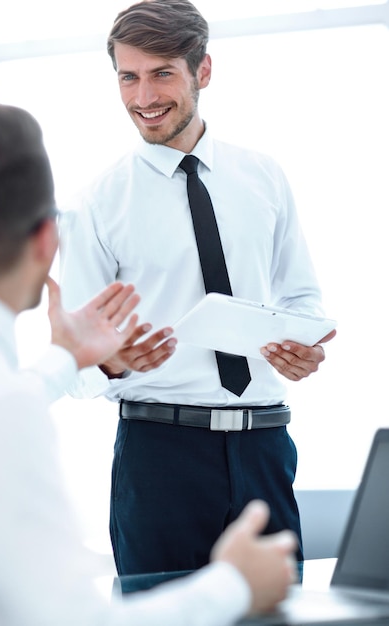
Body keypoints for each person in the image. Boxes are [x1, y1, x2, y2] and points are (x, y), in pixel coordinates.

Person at [0, 101, 297, 626]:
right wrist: (232, 585)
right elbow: (74, 620)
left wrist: (67, 361)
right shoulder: (2, 409)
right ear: (48, 240)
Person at [58, 0, 336, 577]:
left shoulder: (263, 176)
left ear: (202, 71)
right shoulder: (96, 205)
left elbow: (302, 299)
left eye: (162, 74)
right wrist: (111, 362)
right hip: (159, 456)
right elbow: (76, 363)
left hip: (265, 446)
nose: (143, 98)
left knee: (278, 614)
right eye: (128, 78)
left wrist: (302, 348)